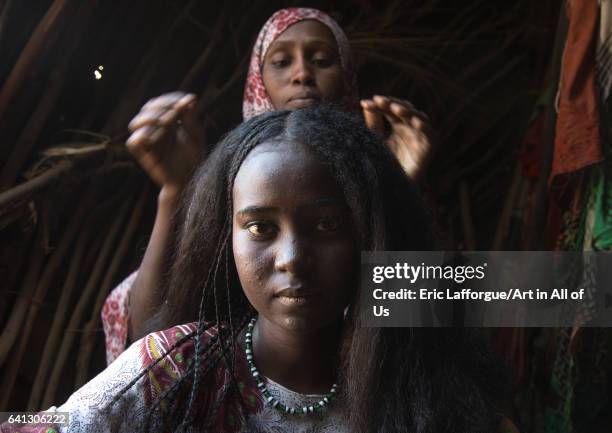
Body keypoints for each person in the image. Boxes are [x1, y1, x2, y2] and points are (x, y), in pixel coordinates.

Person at [2, 106, 510, 433]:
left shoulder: (428, 383)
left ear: (368, 234)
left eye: (329, 224)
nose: (292, 257)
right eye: (261, 228)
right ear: (227, 239)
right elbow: (55, 423)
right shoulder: (178, 367)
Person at [101, 7, 434, 364]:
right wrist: (175, 191)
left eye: (321, 60)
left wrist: (397, 192)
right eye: (281, 62)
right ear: (258, 80)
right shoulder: (230, 183)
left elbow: (429, 323)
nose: (303, 74)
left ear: (347, 76)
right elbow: (150, 333)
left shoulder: (374, 178)